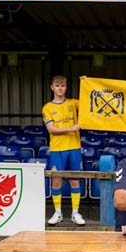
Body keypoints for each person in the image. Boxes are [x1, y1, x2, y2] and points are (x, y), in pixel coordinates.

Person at [42, 75, 85, 226]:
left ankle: (75, 213)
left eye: (63, 85)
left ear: (66, 87)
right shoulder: (47, 107)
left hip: (74, 148)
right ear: (52, 87)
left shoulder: (73, 103)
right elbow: (51, 129)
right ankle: (58, 212)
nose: (60, 88)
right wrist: (71, 128)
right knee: (56, 180)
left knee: (75, 180)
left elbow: (88, 102)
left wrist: (85, 83)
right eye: (57, 85)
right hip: (57, 149)